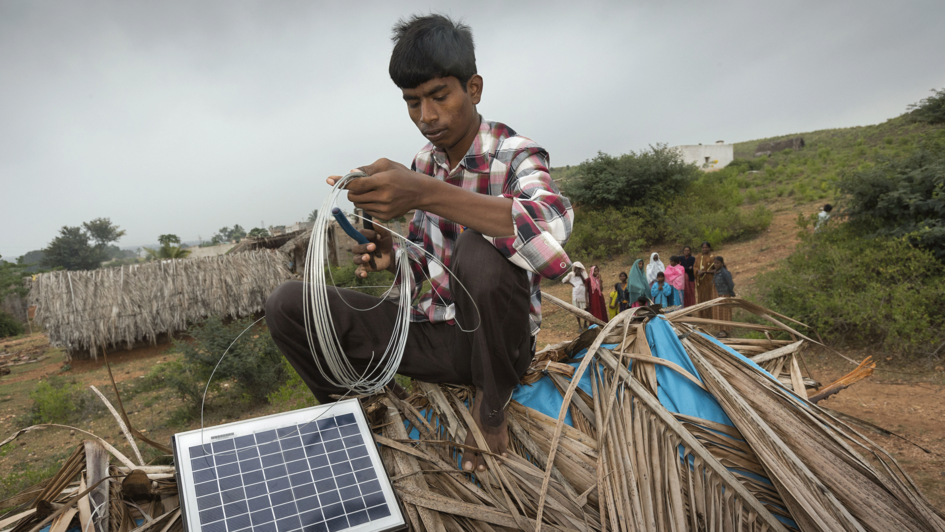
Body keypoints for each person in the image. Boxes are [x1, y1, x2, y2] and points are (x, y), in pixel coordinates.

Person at [265, 14, 573, 474]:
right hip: (432, 335)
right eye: (412, 102)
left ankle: (490, 412)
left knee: (479, 249)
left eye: (439, 96)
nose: (426, 117)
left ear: (474, 88)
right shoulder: (424, 162)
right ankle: (355, 421)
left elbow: (550, 238)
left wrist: (426, 193)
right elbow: (428, 263)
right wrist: (393, 259)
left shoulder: (516, 154)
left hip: (494, 345)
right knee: (287, 303)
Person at [712, 256, 735, 337]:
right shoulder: (716, 272)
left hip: (724, 295)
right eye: (715, 263)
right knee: (718, 312)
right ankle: (720, 329)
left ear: (722, 263)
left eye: (717, 263)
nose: (716, 264)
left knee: (724, 312)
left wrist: (729, 292)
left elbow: (731, 284)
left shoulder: (725, 273)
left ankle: (724, 330)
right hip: (717, 294)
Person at [562, 263, 589, 330]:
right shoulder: (571, 274)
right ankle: (579, 326)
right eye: (576, 268)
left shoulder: (583, 274)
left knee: (586, 309)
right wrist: (571, 283)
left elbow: (586, 282)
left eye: (579, 268)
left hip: (583, 294)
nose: (577, 270)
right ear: (574, 268)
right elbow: (563, 280)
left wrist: (581, 276)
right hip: (576, 295)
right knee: (576, 310)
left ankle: (585, 324)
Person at [695, 241, 718, 320]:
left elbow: (716, 270)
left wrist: (705, 272)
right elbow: (695, 267)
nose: (704, 249)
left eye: (706, 247)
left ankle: (710, 316)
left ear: (709, 248)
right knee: (701, 298)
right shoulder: (698, 257)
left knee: (709, 297)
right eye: (703, 247)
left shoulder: (713, 257)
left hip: (709, 281)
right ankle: (702, 316)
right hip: (701, 282)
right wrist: (697, 271)